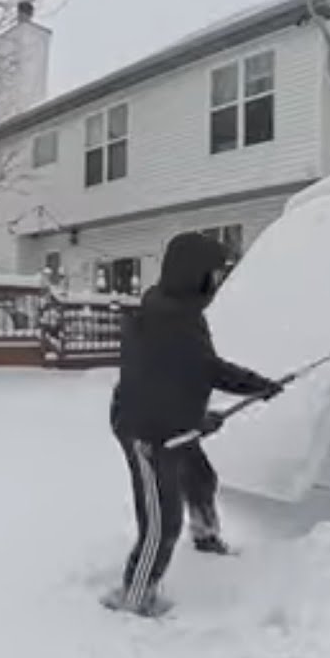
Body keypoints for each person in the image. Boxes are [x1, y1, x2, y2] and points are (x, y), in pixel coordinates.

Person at [104, 232, 282, 617]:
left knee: (201, 479)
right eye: (212, 274)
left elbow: (176, 377)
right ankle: (135, 598)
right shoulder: (167, 319)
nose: (216, 282)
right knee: (161, 523)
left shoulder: (176, 311)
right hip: (148, 433)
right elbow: (204, 370)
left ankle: (205, 536)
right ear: (194, 275)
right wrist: (257, 385)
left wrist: (197, 421)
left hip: (171, 423)